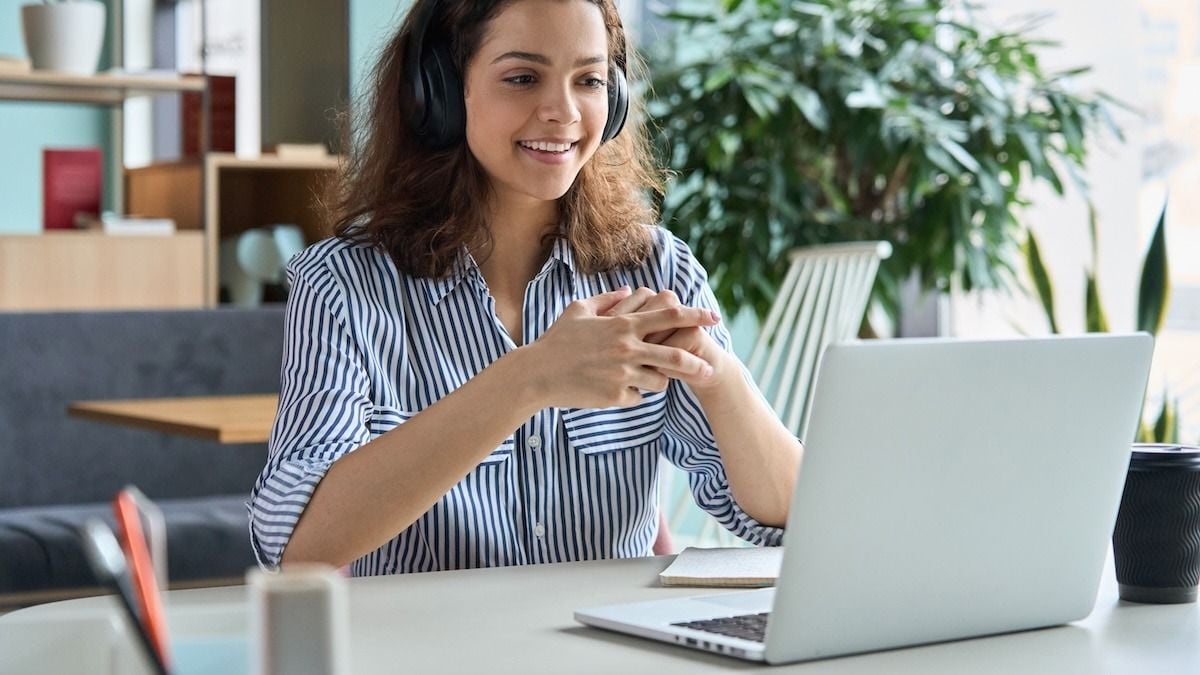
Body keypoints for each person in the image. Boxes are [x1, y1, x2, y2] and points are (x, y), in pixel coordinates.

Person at [248, 0, 803, 575]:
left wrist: (717, 374)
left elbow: (793, 522)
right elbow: (297, 545)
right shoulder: (342, 285)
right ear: (436, 92)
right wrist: (530, 377)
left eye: (588, 80)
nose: (562, 112)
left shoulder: (656, 267)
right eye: (522, 78)